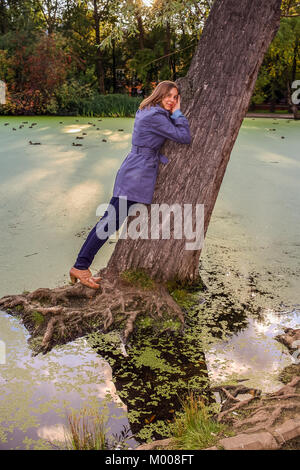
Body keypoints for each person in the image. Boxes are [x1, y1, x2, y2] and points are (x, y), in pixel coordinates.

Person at [69, 80, 191, 289]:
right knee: (110, 221)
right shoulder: (156, 116)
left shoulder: (149, 110)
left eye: (175, 97)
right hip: (137, 173)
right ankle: (80, 266)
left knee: (111, 220)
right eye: (169, 96)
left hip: (135, 168)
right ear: (159, 95)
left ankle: (81, 265)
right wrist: (178, 113)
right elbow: (184, 137)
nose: (172, 100)